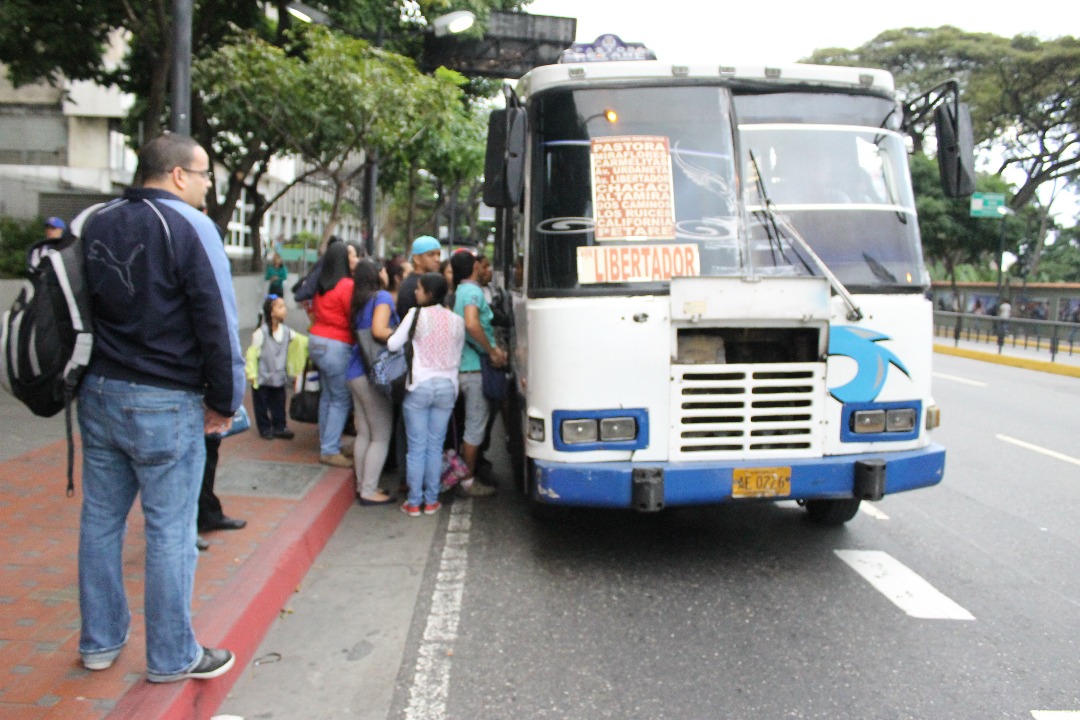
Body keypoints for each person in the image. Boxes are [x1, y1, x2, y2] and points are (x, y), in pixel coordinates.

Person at [76, 134, 244, 682]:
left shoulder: (97, 220)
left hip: (99, 391)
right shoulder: (191, 227)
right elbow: (217, 319)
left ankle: (99, 642)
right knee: (170, 529)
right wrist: (225, 400)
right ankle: (172, 656)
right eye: (203, 175)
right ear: (177, 175)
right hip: (166, 401)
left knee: (101, 522)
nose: (207, 184)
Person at [389, 273, 465, 516]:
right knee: (435, 446)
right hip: (446, 387)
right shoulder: (456, 320)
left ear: (430, 293)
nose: (415, 292)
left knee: (416, 447)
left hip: (419, 385)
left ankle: (414, 502)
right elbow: (457, 353)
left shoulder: (415, 315)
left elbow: (392, 344)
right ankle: (431, 500)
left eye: (420, 289)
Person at [451, 251, 507, 497]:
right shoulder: (473, 292)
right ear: (474, 266)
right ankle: (468, 481)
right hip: (475, 368)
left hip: (463, 366)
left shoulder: (460, 292)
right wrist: (492, 350)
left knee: (470, 425)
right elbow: (472, 324)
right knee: (475, 427)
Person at [346, 260, 397, 505]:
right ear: (377, 274)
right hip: (373, 374)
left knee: (364, 432)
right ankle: (369, 490)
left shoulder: (360, 301)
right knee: (381, 435)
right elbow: (379, 330)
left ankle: (361, 485)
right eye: (383, 270)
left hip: (355, 370)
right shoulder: (383, 297)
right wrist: (401, 333)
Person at [309, 239, 361, 467]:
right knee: (340, 398)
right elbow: (352, 317)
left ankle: (326, 442)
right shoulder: (347, 285)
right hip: (336, 344)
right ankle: (330, 449)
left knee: (328, 396)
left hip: (317, 341)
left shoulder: (322, 284)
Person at [246, 294, 305, 441]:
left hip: (279, 376)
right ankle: (264, 428)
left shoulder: (287, 332)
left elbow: (302, 342)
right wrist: (252, 373)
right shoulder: (261, 333)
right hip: (262, 378)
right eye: (280, 307)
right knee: (261, 404)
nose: (285, 310)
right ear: (271, 312)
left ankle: (280, 426)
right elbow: (252, 354)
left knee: (279, 402)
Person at [396, 235, 443, 319]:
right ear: (416, 259)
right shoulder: (410, 286)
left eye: (438, 254)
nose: (437, 259)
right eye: (431, 255)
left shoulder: (433, 281)